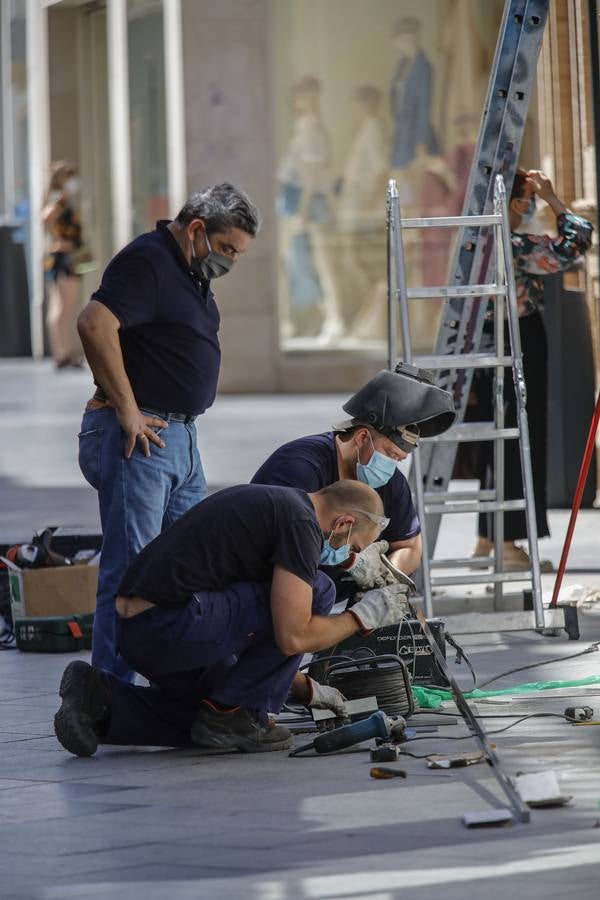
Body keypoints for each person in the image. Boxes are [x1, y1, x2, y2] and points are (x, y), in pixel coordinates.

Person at [53, 480, 411, 757]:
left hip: (142, 631)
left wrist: (306, 689)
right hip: (168, 624)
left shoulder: (280, 504)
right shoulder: (300, 522)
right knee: (319, 591)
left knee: (211, 724)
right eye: (354, 547)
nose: (348, 556)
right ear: (344, 522)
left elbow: (255, 640)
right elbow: (292, 635)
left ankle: (102, 702)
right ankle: (235, 712)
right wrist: (360, 617)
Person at [76, 183, 260, 680]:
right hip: (142, 438)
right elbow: (95, 323)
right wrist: (128, 410)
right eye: (225, 249)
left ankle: (181, 680)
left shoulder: (191, 270)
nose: (229, 262)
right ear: (197, 229)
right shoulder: (150, 261)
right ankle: (111, 697)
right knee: (132, 570)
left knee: (192, 565)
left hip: (181, 439)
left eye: (237, 256)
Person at [471, 169, 593, 570]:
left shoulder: (477, 241)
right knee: (522, 436)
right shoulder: (514, 246)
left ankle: (489, 539)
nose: (530, 208)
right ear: (510, 203)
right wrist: (556, 201)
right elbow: (577, 242)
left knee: (498, 438)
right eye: (526, 201)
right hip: (517, 341)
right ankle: (507, 543)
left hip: (487, 344)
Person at [252, 365, 456, 593]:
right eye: (390, 453)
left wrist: (382, 576)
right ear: (361, 437)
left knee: (398, 594)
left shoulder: (390, 482)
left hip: (326, 583)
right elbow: (286, 544)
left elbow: (410, 547)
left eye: (399, 459)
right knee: (320, 589)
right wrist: (351, 562)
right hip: (274, 575)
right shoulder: (299, 466)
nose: (392, 464)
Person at [41, 160, 87, 368]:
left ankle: (63, 351)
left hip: (69, 256)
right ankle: (63, 352)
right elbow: (44, 219)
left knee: (62, 306)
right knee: (64, 307)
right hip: (63, 258)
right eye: (69, 177)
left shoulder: (63, 200)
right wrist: (58, 240)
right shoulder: (58, 201)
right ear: (61, 179)